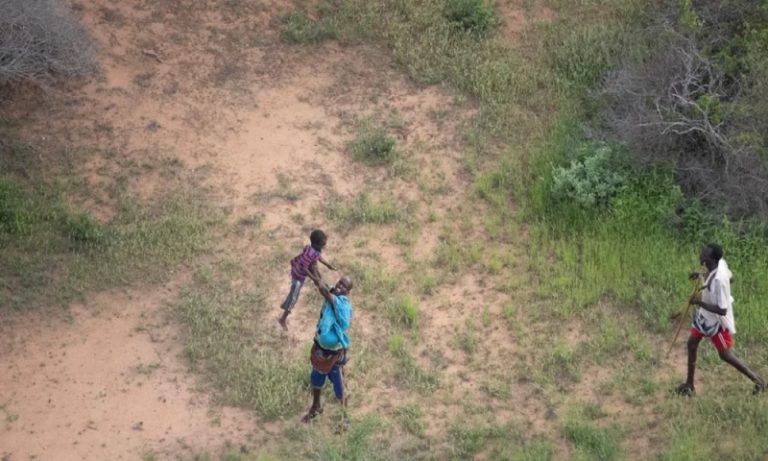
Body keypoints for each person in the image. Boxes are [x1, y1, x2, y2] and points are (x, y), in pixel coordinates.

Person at [673, 243, 766, 396]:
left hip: (716, 322)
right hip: (704, 317)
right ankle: (689, 386)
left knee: (725, 355)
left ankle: (759, 381)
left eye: (705, 256)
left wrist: (698, 302)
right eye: (702, 254)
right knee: (691, 344)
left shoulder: (718, 280)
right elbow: (732, 278)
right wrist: (701, 275)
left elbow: (722, 310)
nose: (701, 257)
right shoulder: (719, 265)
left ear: (713, 260)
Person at [301, 274, 354, 427]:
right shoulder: (332, 294)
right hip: (320, 349)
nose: (340, 286)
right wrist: (312, 268)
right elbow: (324, 287)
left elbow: (324, 291)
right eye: (340, 282)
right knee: (316, 379)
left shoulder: (341, 303)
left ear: (347, 292)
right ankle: (316, 407)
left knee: (339, 387)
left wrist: (310, 274)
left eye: (344, 286)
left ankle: (345, 419)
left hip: (333, 355)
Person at [278, 229, 336, 331]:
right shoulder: (310, 253)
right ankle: (282, 319)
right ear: (316, 243)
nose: (324, 245)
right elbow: (304, 267)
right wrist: (314, 278)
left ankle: (327, 291)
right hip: (298, 276)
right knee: (293, 298)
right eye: (323, 243)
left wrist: (328, 265)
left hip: (304, 272)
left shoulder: (316, 249)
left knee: (319, 279)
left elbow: (318, 258)